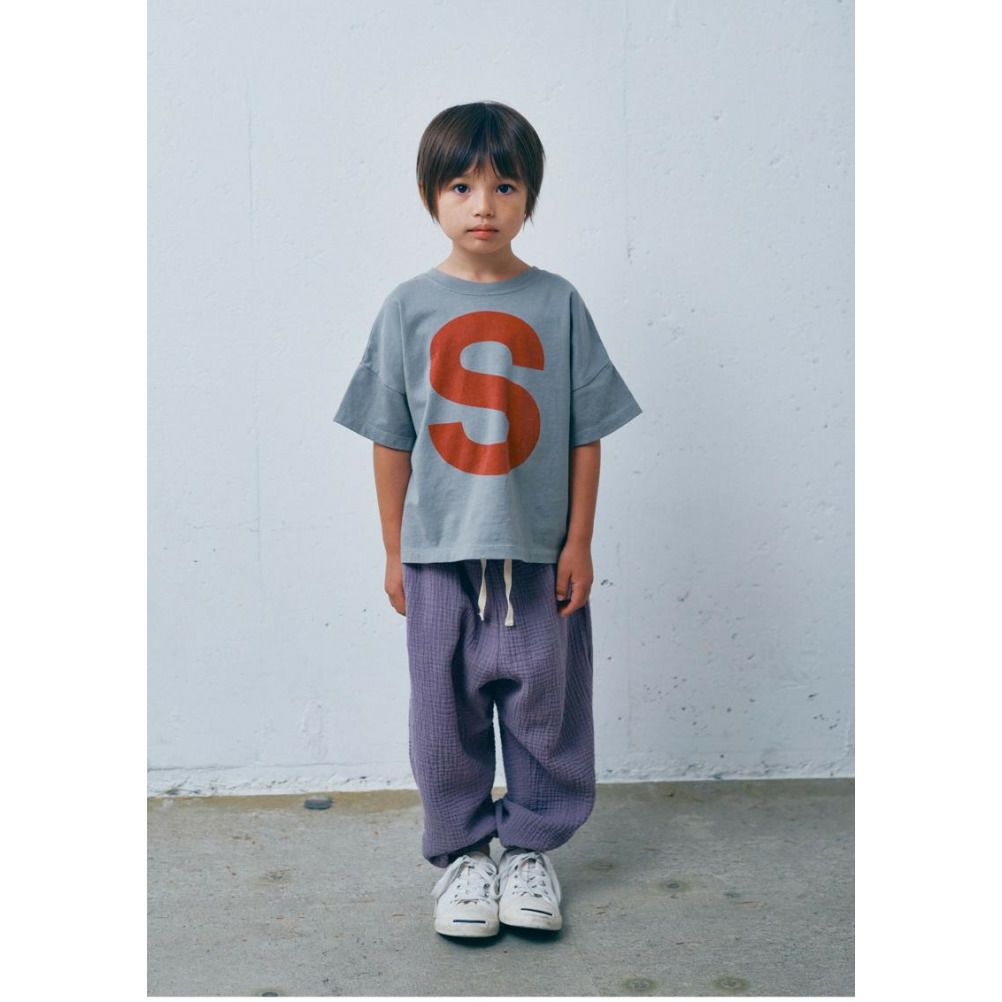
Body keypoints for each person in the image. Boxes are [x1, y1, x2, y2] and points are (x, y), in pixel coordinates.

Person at [333, 101, 643, 938]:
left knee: (548, 709)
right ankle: (465, 858)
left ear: (530, 195)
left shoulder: (558, 301)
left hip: (538, 555)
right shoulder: (407, 307)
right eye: (462, 187)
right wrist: (394, 550)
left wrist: (578, 541)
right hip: (439, 556)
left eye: (505, 186)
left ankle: (532, 852)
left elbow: (584, 432)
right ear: (430, 195)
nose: (483, 205)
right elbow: (390, 438)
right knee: (444, 717)